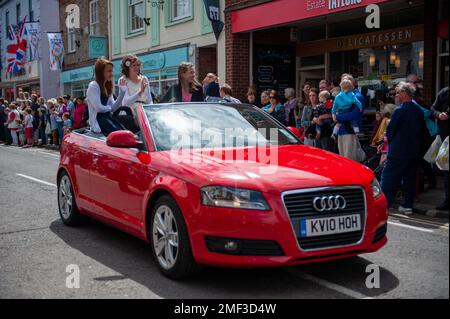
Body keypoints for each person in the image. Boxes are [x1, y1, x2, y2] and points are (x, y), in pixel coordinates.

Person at [381, 82, 427, 215]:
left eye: (398, 92)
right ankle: (407, 205)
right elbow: (423, 132)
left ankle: (384, 205)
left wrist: (391, 144)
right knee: (410, 179)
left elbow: (390, 131)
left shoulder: (399, 110)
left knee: (389, 178)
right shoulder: (418, 110)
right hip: (414, 151)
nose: (396, 95)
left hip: (398, 151)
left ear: (405, 94)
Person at [86, 57, 126, 136]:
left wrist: (122, 93)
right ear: (100, 72)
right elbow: (99, 108)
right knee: (120, 136)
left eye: (112, 71)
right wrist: (109, 108)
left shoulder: (107, 86)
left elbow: (114, 108)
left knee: (125, 133)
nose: (112, 74)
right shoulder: (93, 85)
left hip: (107, 118)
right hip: (99, 122)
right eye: (109, 71)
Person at [430, 86, 449, 211]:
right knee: (447, 169)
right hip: (445, 138)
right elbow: (432, 108)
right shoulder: (445, 92)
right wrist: (439, 114)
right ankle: (448, 200)